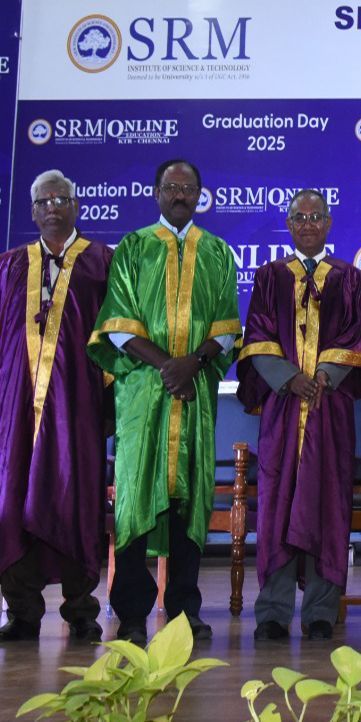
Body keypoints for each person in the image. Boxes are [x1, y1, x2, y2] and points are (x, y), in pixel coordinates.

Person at [88, 159, 240, 645]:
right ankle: (132, 612)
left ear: (200, 195)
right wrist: (167, 367)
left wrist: (190, 364)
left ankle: (183, 610)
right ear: (155, 193)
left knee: (188, 498)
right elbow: (117, 325)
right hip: (142, 398)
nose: (180, 194)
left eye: (188, 187)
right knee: (136, 497)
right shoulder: (132, 249)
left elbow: (227, 329)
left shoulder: (217, 253)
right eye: (171, 187)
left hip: (193, 395)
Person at [0, 170, 113, 644]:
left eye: (60, 198)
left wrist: (111, 417)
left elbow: (116, 343)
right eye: (43, 201)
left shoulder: (102, 263)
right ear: (32, 211)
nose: (52, 207)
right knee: (13, 504)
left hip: (78, 413)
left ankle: (82, 612)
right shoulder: (8, 266)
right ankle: (23, 612)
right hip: (14, 413)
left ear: (76, 205)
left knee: (77, 503)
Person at [237, 190, 361, 643]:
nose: (308, 223)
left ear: (329, 223)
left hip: (330, 408)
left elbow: (360, 336)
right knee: (277, 505)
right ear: (289, 223)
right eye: (299, 217)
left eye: (316, 216)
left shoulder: (349, 278)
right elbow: (257, 334)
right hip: (282, 409)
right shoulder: (269, 276)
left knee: (328, 503)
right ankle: (273, 612)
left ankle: (321, 609)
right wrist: (287, 378)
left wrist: (323, 376)